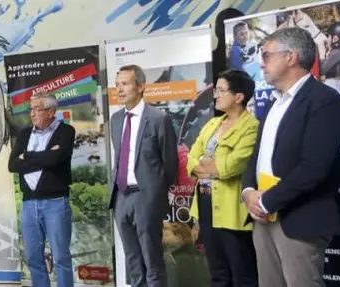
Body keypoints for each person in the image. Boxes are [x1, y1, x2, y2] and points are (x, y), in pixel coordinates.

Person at [241, 27, 340, 287]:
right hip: (263, 218)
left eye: (266, 55)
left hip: (298, 220)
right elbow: (257, 156)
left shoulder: (324, 100)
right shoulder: (273, 104)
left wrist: (267, 201)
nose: (260, 62)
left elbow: (314, 167)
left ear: (291, 57)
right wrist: (248, 191)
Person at [187, 69, 259, 287]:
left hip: (232, 209)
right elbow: (191, 157)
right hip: (205, 204)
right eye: (215, 90)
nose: (216, 95)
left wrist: (211, 166)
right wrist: (208, 167)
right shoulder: (212, 124)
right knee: (217, 273)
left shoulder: (252, 127)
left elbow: (231, 166)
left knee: (242, 275)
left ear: (238, 97)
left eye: (221, 90)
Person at [108, 64, 178, 287]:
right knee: (133, 262)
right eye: (117, 84)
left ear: (140, 87)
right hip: (121, 198)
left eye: (125, 84)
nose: (119, 89)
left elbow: (170, 164)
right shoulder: (116, 120)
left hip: (146, 198)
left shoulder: (158, 119)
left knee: (152, 262)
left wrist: (154, 194)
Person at [8, 93, 75, 287]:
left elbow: (56, 159)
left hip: (55, 202)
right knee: (33, 257)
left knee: (61, 256)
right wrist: (43, 157)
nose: (32, 113)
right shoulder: (24, 134)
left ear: (51, 111)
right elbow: (13, 165)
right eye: (31, 109)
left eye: (37, 109)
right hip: (29, 203)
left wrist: (27, 156)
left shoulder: (66, 132)